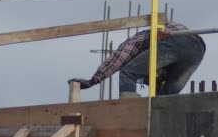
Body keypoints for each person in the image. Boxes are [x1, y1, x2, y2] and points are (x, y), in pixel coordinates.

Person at [68, 21, 206, 98]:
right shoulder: (164, 62)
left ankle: (130, 109)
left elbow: (119, 58)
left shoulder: (140, 39)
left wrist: (94, 80)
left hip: (176, 39)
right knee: (164, 98)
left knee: (128, 72)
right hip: (198, 50)